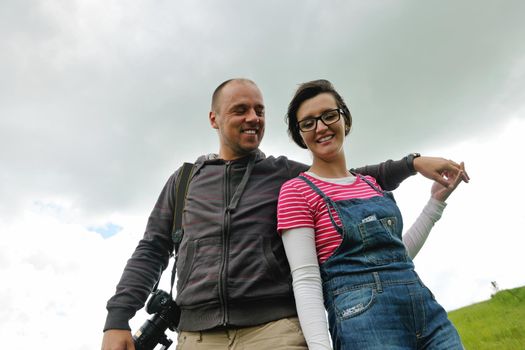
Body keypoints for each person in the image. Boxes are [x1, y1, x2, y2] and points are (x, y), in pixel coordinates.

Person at [101, 78, 468, 350]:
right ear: (214, 119)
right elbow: (152, 250)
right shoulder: (183, 181)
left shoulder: (285, 175)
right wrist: (117, 318)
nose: (253, 118)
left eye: (260, 110)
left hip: (276, 330)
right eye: (240, 110)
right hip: (197, 336)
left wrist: (413, 163)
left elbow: (350, 178)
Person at [277, 79, 466, 349]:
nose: (320, 127)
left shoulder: (371, 184)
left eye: (329, 116)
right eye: (307, 123)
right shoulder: (296, 191)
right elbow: (306, 279)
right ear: (300, 135)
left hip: (425, 309)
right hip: (363, 321)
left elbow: (397, 256)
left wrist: (435, 204)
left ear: (345, 120)